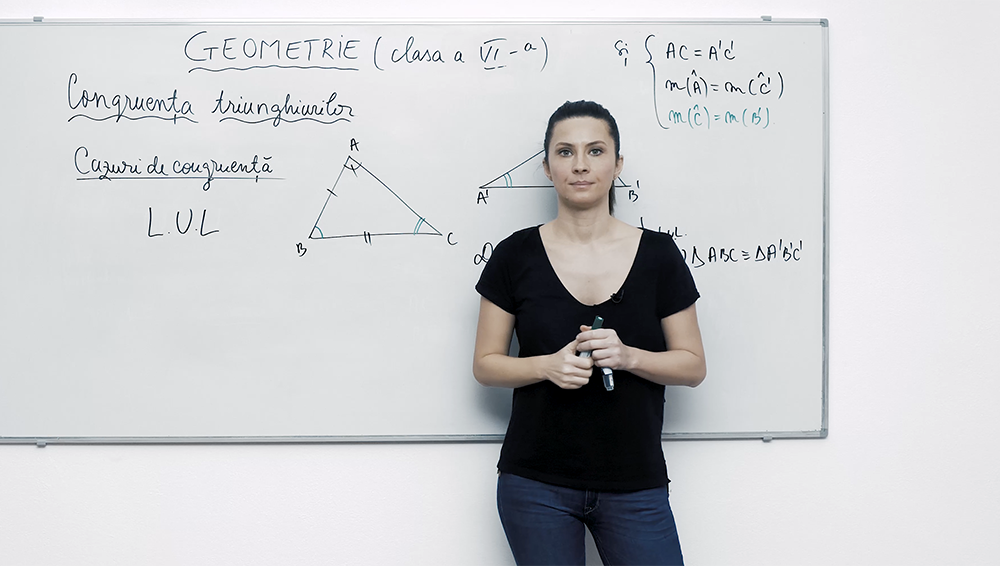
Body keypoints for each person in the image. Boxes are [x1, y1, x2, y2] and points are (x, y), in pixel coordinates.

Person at [472, 100, 706, 566]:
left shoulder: (659, 255)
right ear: (547, 167)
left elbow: (693, 366)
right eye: (565, 152)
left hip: (635, 482)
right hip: (535, 484)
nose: (580, 165)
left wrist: (629, 356)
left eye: (595, 151)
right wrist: (547, 367)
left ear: (618, 164)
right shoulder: (514, 255)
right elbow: (485, 365)